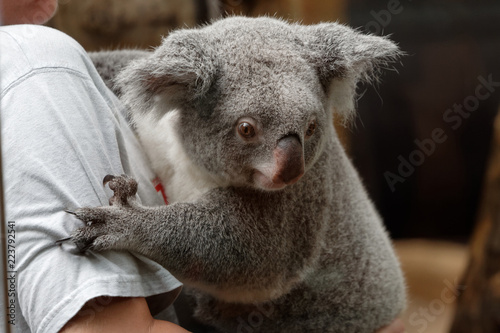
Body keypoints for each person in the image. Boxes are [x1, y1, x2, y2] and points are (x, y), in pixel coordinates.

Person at [0, 1, 405, 332]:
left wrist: (134, 227)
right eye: (248, 130)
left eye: (310, 128)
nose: (290, 166)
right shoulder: (51, 62)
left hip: (329, 321)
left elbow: (254, 260)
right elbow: (83, 79)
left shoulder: (293, 143)